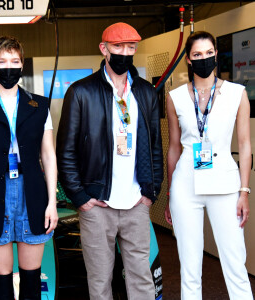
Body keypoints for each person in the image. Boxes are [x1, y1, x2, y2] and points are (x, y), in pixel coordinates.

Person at [56, 22, 163, 300]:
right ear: (104, 49)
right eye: (118, 47)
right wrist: (80, 197)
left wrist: (152, 191)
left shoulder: (146, 92)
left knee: (141, 278)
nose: (125, 53)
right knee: (100, 280)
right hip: (97, 204)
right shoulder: (81, 92)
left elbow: (154, 146)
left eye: (131, 47)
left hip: (136, 202)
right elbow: (65, 150)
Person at [0, 36, 58, 300]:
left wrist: (52, 202)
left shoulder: (40, 106)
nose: (9, 67)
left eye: (15, 61)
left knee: (32, 279)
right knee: (2, 280)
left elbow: (48, 155)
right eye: (2, 61)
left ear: (22, 65)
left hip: (33, 194)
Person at [165, 31, 254, 299]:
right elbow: (173, 147)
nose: (204, 58)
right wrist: (170, 193)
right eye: (197, 54)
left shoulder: (237, 93)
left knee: (234, 260)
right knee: (189, 266)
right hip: (185, 183)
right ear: (189, 61)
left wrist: (244, 191)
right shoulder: (175, 96)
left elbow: (246, 144)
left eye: (208, 52)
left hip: (225, 183)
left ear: (216, 54)